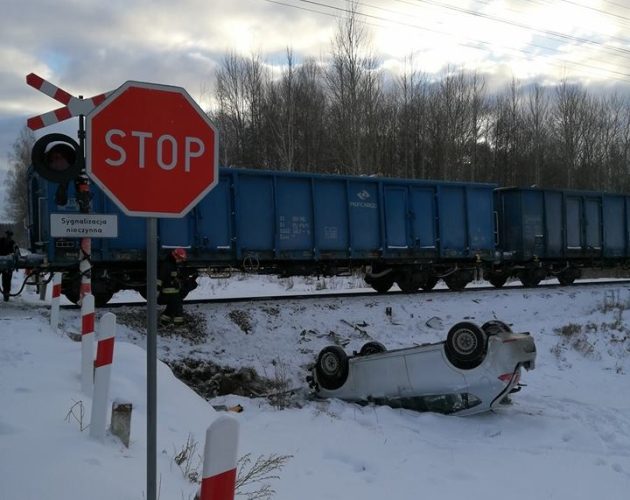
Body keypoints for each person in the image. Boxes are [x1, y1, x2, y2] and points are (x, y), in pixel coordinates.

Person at [157, 247, 187, 324]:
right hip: (166, 293)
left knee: (175, 303)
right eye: (180, 259)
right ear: (175, 256)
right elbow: (160, 278)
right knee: (176, 302)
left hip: (172, 292)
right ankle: (177, 323)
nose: (180, 261)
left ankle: (164, 321)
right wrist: (156, 290)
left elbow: (174, 277)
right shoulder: (167, 265)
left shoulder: (172, 264)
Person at [0, 230, 18, 302]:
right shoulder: (1, 241)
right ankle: (6, 293)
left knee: (7, 280)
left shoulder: (13, 243)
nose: (9, 237)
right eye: (8, 235)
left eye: (10, 236)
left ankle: (6, 294)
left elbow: (16, 252)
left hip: (8, 264)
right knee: (6, 280)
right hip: (1, 263)